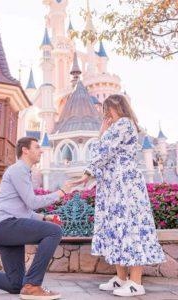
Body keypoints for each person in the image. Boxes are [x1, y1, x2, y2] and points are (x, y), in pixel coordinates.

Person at [0, 137, 72, 300]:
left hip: (4, 229)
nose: (41, 151)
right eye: (37, 147)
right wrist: (61, 192)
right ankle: (33, 285)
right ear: (25, 150)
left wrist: (46, 218)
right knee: (54, 232)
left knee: (15, 284)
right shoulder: (18, 170)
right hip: (5, 226)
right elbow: (32, 202)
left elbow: (25, 211)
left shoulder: (23, 172)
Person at [71, 94, 166, 297]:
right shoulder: (116, 127)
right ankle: (121, 279)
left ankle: (136, 282)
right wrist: (103, 134)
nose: (106, 115)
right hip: (115, 186)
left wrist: (87, 172)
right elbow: (103, 151)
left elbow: (103, 150)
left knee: (131, 228)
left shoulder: (124, 123)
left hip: (125, 186)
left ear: (118, 107)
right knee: (117, 229)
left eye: (108, 110)